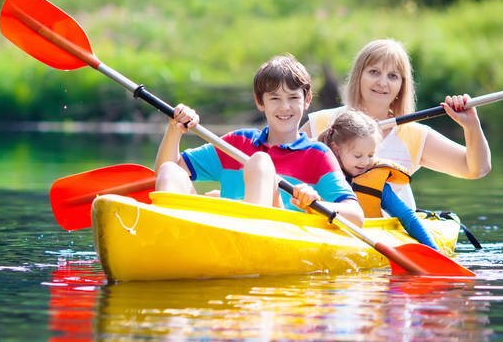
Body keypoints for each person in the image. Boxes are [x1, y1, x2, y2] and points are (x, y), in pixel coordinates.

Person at [154, 54, 365, 225]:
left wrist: (315, 203)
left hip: (275, 239)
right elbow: (165, 171)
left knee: (260, 162)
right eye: (275, 98)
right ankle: (171, 240)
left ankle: (249, 234)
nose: (285, 107)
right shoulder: (237, 142)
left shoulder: (317, 155)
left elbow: (356, 215)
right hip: (223, 237)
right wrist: (174, 129)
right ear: (260, 101)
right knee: (170, 170)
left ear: (307, 99)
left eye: (293, 98)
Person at [302, 38, 491, 208]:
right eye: (374, 72)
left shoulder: (413, 135)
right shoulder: (322, 122)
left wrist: (471, 126)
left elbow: (476, 169)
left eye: (392, 76)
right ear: (359, 76)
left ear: (402, 85)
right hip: (328, 221)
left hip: (390, 227)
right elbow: (285, 160)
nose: (382, 82)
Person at [318, 108, 439, 249]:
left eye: (370, 155)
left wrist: (434, 250)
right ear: (336, 148)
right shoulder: (319, 174)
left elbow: (406, 216)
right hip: (321, 235)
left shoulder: (377, 183)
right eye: (358, 156)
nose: (365, 162)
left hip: (365, 242)